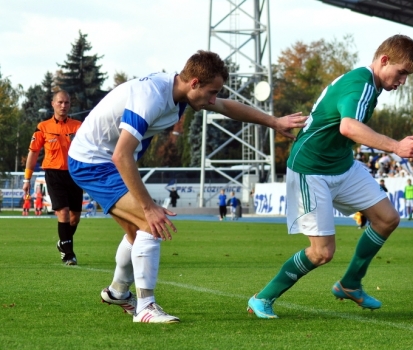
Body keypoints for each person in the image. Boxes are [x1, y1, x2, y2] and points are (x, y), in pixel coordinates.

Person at [67, 50, 307, 323]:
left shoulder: (181, 93)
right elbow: (120, 155)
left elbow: (227, 107)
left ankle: (118, 292)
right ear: (194, 83)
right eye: (211, 92)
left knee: (136, 233)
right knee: (149, 222)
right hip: (93, 162)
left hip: (107, 160)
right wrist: (149, 206)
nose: (214, 99)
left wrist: (274, 122)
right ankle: (145, 307)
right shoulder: (152, 98)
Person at [247, 35, 413, 319]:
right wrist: (396, 147)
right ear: (384, 61)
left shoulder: (369, 84)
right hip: (311, 169)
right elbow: (348, 127)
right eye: (402, 72)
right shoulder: (362, 84)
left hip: (341, 165)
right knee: (321, 253)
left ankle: (350, 284)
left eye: (407, 75)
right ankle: (263, 297)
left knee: (387, 218)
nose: (403, 80)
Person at [23, 90, 83, 266]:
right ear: (53, 104)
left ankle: (63, 242)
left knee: (75, 217)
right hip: (53, 173)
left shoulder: (79, 126)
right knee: (62, 212)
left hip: (74, 174)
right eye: (60, 102)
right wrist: (27, 179)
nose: (63, 106)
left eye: (66, 103)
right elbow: (33, 153)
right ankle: (68, 254)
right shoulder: (43, 127)